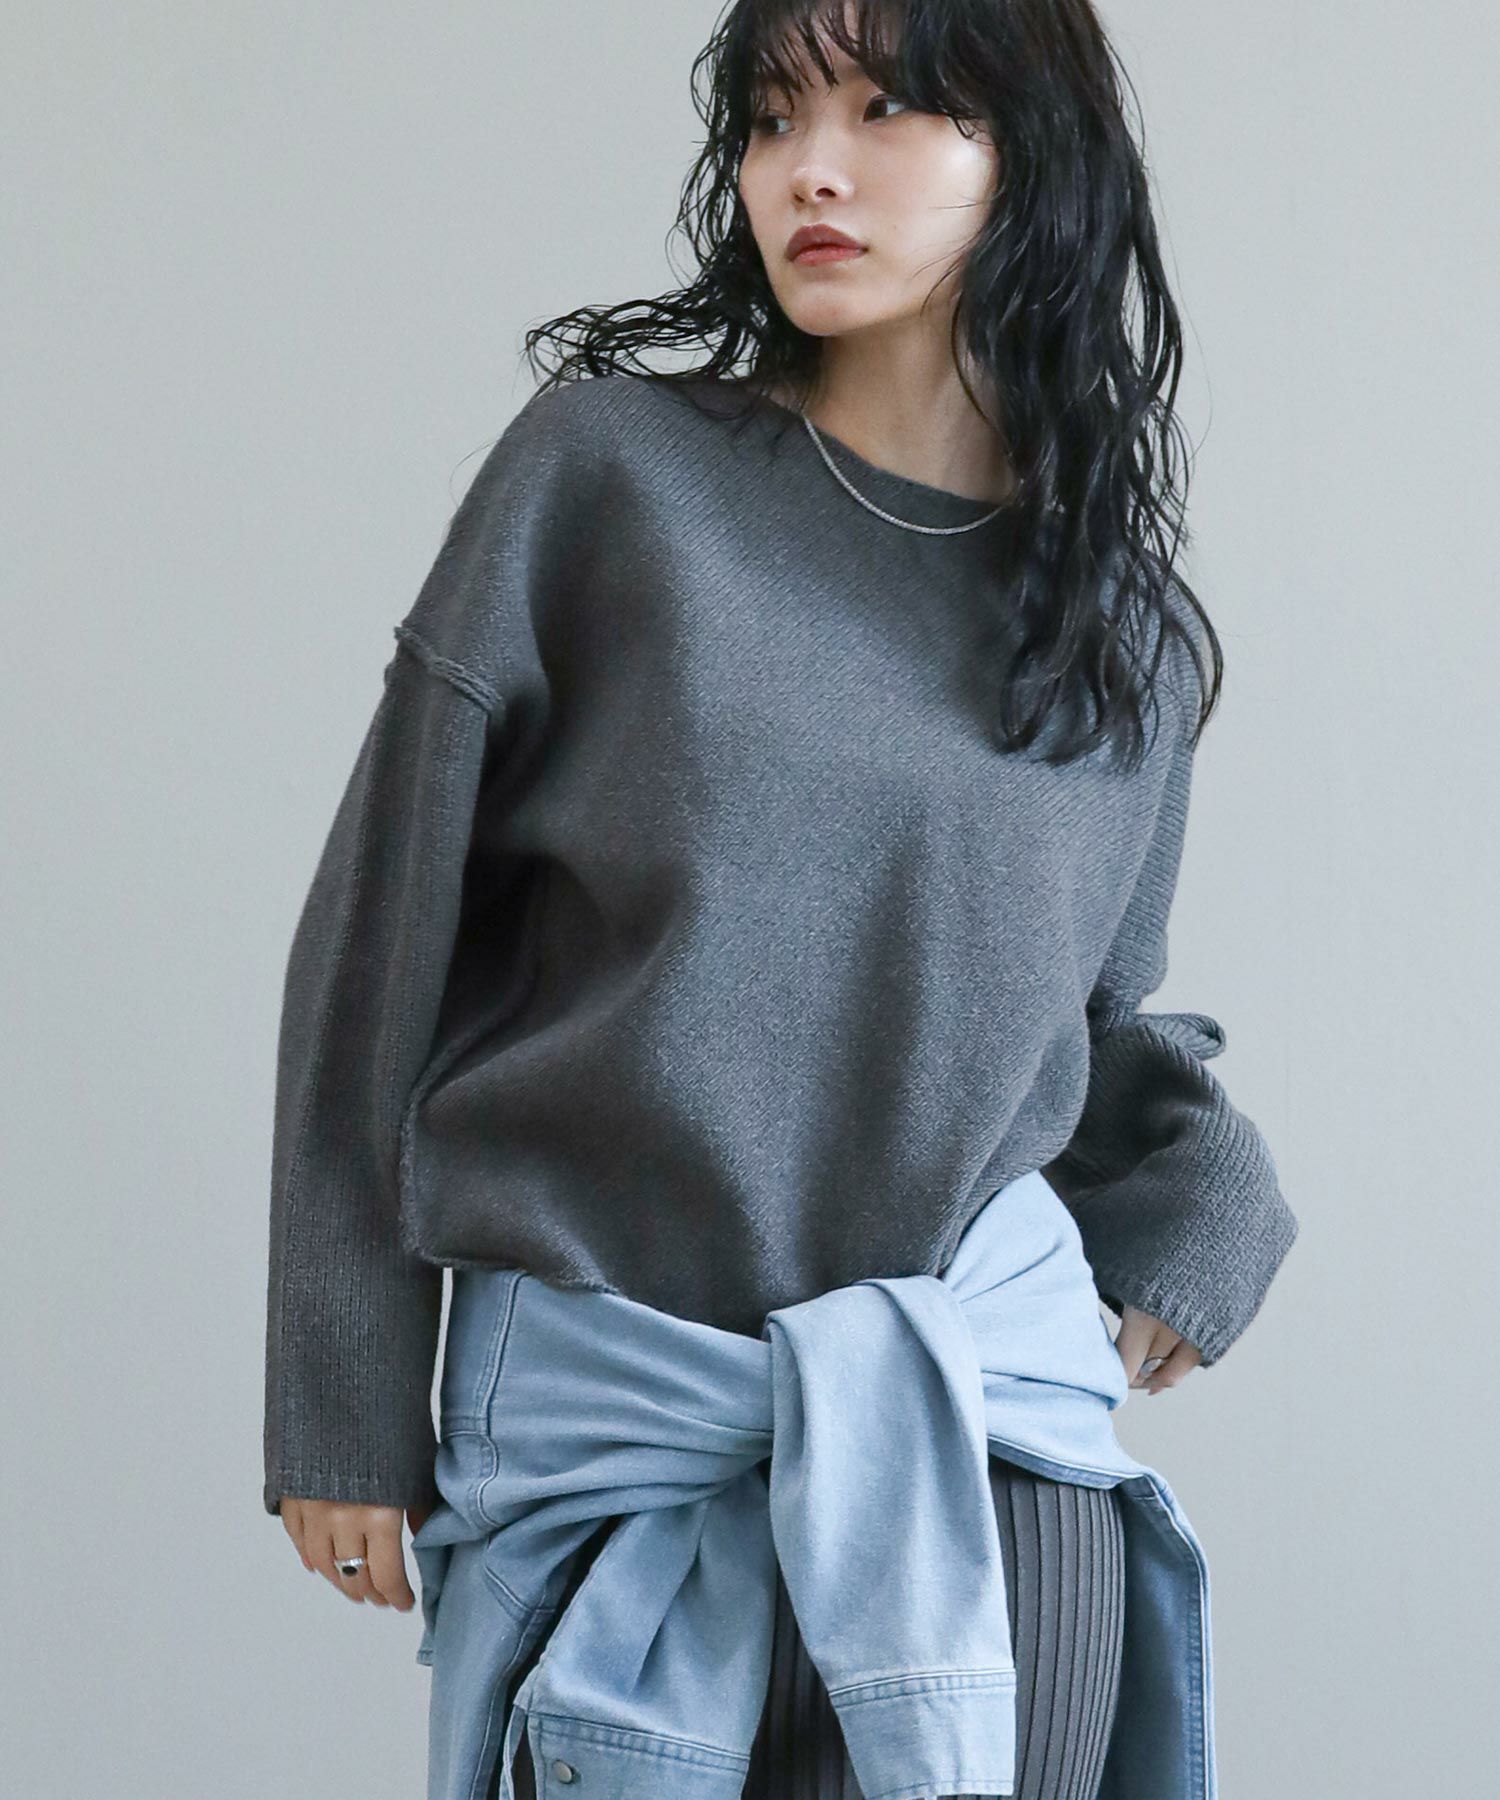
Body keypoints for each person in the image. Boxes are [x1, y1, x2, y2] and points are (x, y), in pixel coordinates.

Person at [263, 4, 1298, 1797]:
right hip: (629, 1445)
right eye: (770, 115)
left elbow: (1079, 1030)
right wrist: (343, 1390)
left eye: (888, 108)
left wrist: (1205, 1191)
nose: (808, 169)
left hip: (989, 1479)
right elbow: (381, 947)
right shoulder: (607, 481)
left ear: (1031, 154)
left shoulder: (1118, 630)